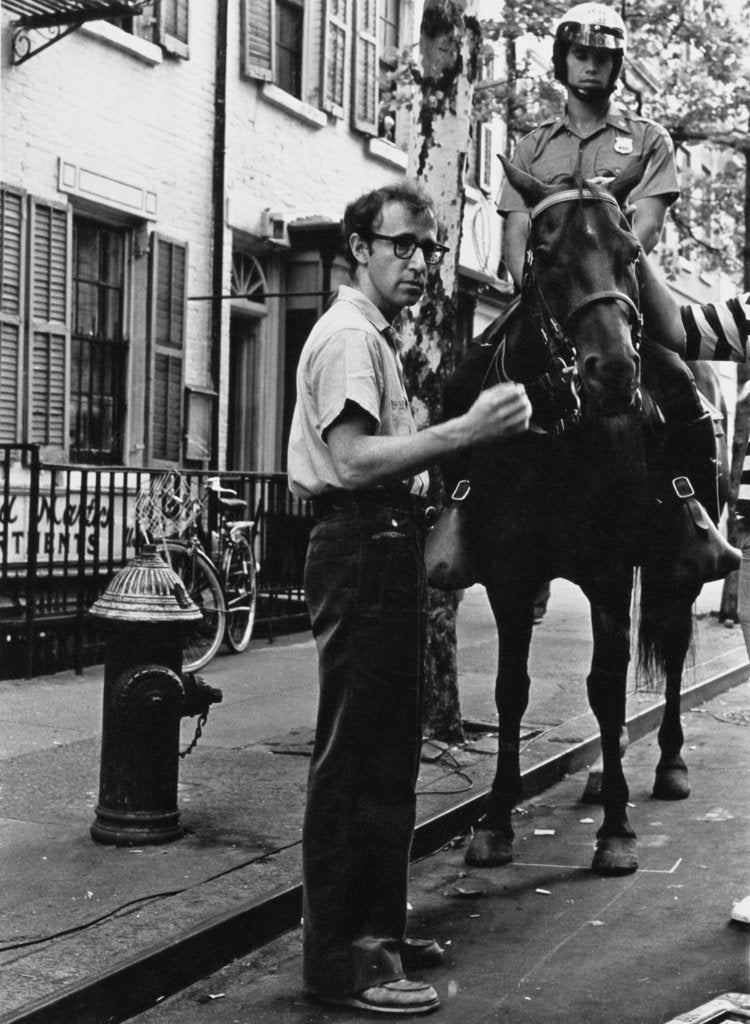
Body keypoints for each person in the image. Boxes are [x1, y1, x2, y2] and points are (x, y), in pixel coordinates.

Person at [286, 181, 530, 1015]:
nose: (421, 263)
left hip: (380, 541)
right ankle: (345, 960)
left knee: (385, 754)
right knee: (357, 758)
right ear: (359, 246)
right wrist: (466, 431)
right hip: (360, 538)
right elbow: (354, 461)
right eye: (403, 246)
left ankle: (376, 934)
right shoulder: (350, 339)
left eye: (429, 248)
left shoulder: (374, 340)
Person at [498, 2, 730, 582]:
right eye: (581, 55)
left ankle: (692, 511)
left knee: (683, 388)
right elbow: (514, 235)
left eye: (603, 58)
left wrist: (608, 276)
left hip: (620, 293)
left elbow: (642, 229)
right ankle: (462, 508)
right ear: (562, 61)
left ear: (617, 66)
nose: (592, 67)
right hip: (552, 298)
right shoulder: (530, 148)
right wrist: (534, 287)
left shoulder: (647, 141)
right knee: (467, 376)